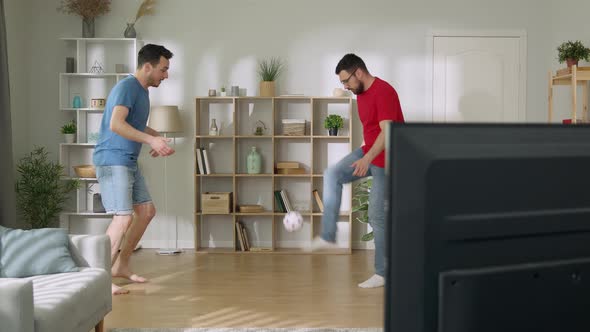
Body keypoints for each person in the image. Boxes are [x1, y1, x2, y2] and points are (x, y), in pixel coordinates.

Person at [310, 53, 405, 288]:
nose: (345, 86)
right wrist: (365, 155)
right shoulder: (360, 94)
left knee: (377, 216)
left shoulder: (384, 91)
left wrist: (367, 159)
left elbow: (389, 131)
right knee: (332, 174)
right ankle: (328, 236)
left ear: (358, 73)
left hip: (389, 158)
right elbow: (372, 132)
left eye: (346, 81)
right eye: (342, 82)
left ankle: (382, 273)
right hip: (369, 152)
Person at [93, 44, 175, 295]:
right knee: (123, 217)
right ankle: (97, 281)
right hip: (112, 159)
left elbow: (133, 123)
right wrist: (150, 141)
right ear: (147, 66)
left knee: (147, 211)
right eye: (163, 69)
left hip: (128, 160)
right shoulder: (126, 87)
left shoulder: (142, 91)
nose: (166, 75)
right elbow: (116, 124)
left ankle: (121, 265)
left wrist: (155, 135)